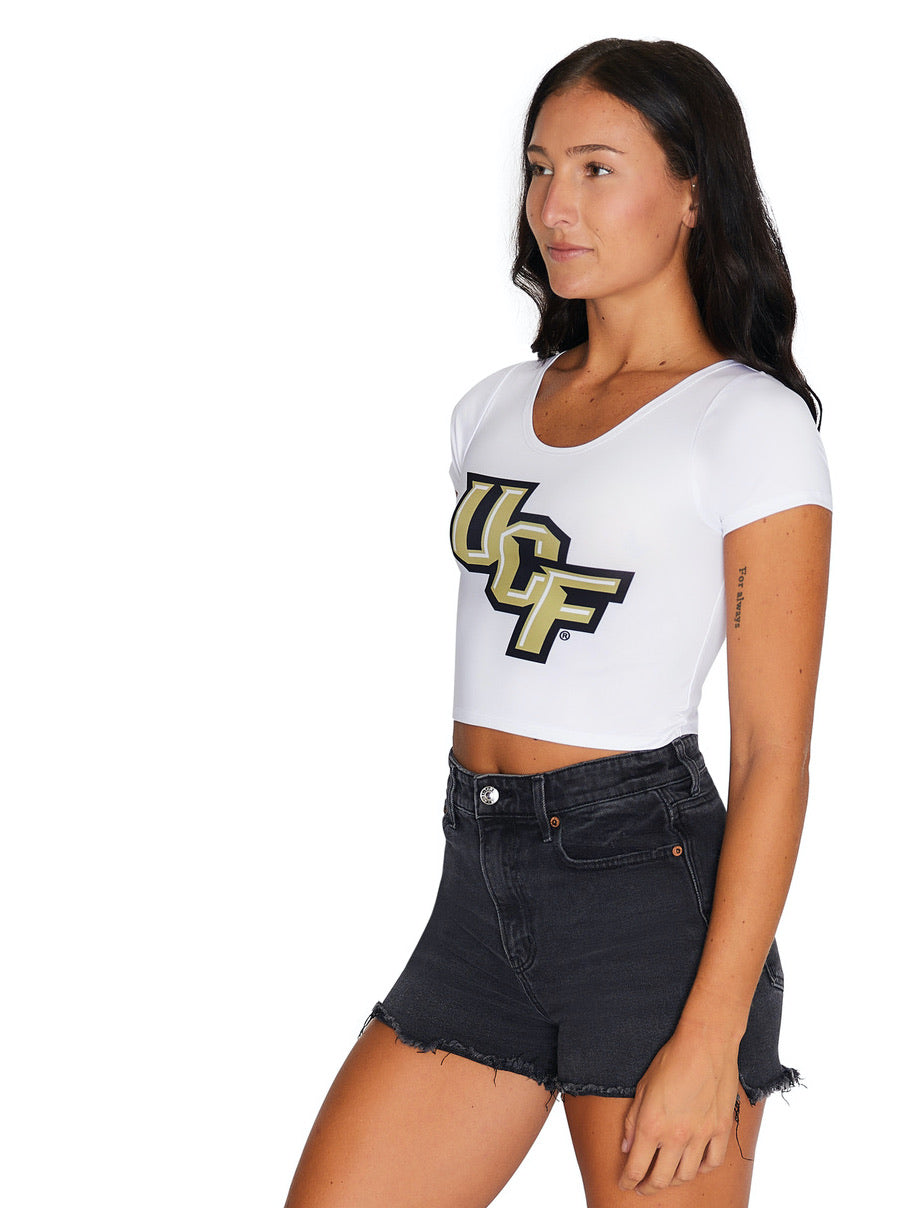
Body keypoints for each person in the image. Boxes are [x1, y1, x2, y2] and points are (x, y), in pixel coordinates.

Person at [285, 37, 832, 1208]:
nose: (553, 206)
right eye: (539, 168)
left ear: (692, 194)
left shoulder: (747, 424)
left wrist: (710, 1033)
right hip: (475, 891)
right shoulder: (490, 409)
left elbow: (773, 757)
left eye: (596, 168)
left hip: (648, 907)